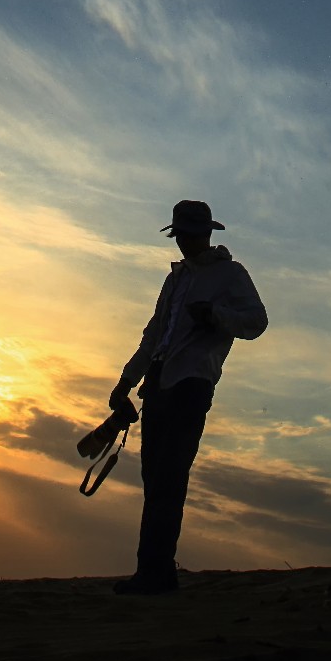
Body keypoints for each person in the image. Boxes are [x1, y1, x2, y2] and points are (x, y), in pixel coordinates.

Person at [109, 199, 268, 595]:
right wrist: (125, 382)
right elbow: (154, 335)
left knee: (168, 478)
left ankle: (155, 573)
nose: (187, 242)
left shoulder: (230, 274)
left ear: (207, 234)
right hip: (161, 382)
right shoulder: (175, 280)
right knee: (155, 479)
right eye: (182, 236)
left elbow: (257, 322)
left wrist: (215, 315)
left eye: (193, 235)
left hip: (193, 382)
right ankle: (155, 570)